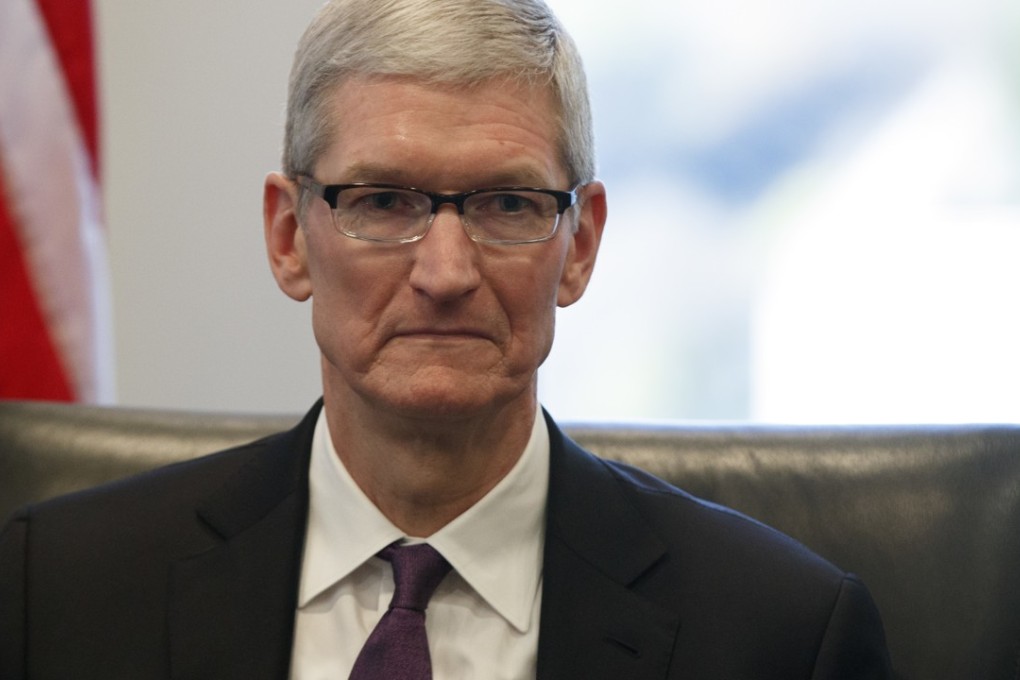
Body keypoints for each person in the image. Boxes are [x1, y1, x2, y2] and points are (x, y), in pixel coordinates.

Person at [0, 0, 893, 678]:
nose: (446, 271)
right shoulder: (60, 589)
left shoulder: (782, 634)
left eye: (508, 204)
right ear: (289, 236)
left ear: (579, 246)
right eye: (385, 201)